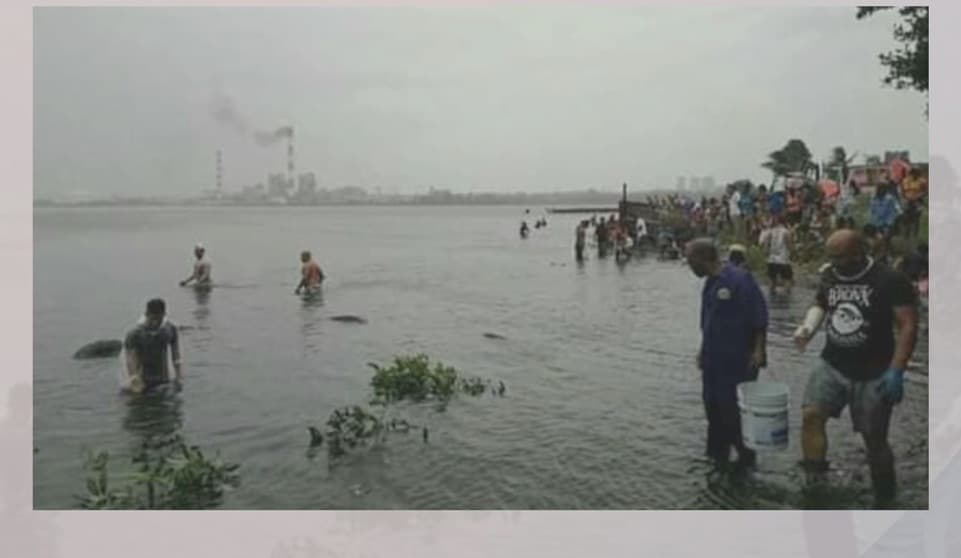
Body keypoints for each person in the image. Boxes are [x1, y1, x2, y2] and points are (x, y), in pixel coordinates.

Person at [792, 229, 919, 508]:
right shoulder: (830, 274)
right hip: (832, 361)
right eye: (831, 256)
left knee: (874, 438)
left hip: (874, 371)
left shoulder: (889, 279)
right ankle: (815, 484)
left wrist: (897, 369)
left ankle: (885, 498)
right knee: (811, 415)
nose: (834, 262)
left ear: (859, 253)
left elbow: (908, 325)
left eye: (840, 257)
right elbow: (821, 303)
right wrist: (808, 329)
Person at [686, 239, 768, 470]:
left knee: (734, 412)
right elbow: (709, 321)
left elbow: (759, 317)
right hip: (714, 358)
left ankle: (745, 461)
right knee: (713, 409)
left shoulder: (739, 280)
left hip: (738, 359)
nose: (689, 266)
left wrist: (759, 350)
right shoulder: (710, 283)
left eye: (690, 261)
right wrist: (703, 350)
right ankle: (716, 458)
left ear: (703, 259)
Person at [123, 298, 182, 393]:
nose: (155, 323)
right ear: (146, 314)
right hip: (142, 383)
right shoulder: (135, 334)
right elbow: (130, 358)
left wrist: (179, 376)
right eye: (153, 319)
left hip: (163, 381)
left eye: (159, 319)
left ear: (164, 315)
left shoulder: (169, 330)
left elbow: (176, 355)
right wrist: (134, 378)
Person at [758, 216, 794, 293]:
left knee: (772, 281)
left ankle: (771, 298)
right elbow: (789, 245)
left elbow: (766, 246)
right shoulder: (786, 232)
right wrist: (793, 253)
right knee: (787, 279)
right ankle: (787, 299)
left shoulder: (770, 232)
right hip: (783, 259)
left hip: (772, 259)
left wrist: (766, 255)